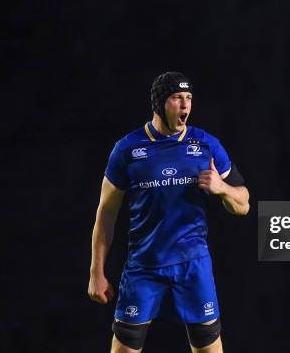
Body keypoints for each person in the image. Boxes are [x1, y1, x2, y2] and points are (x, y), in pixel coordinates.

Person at [88, 71, 249, 353]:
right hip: (144, 268)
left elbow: (244, 204)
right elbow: (106, 213)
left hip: (193, 266)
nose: (185, 105)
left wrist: (221, 187)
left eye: (188, 98)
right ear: (160, 103)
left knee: (209, 347)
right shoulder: (127, 150)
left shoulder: (206, 146)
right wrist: (96, 272)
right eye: (177, 98)